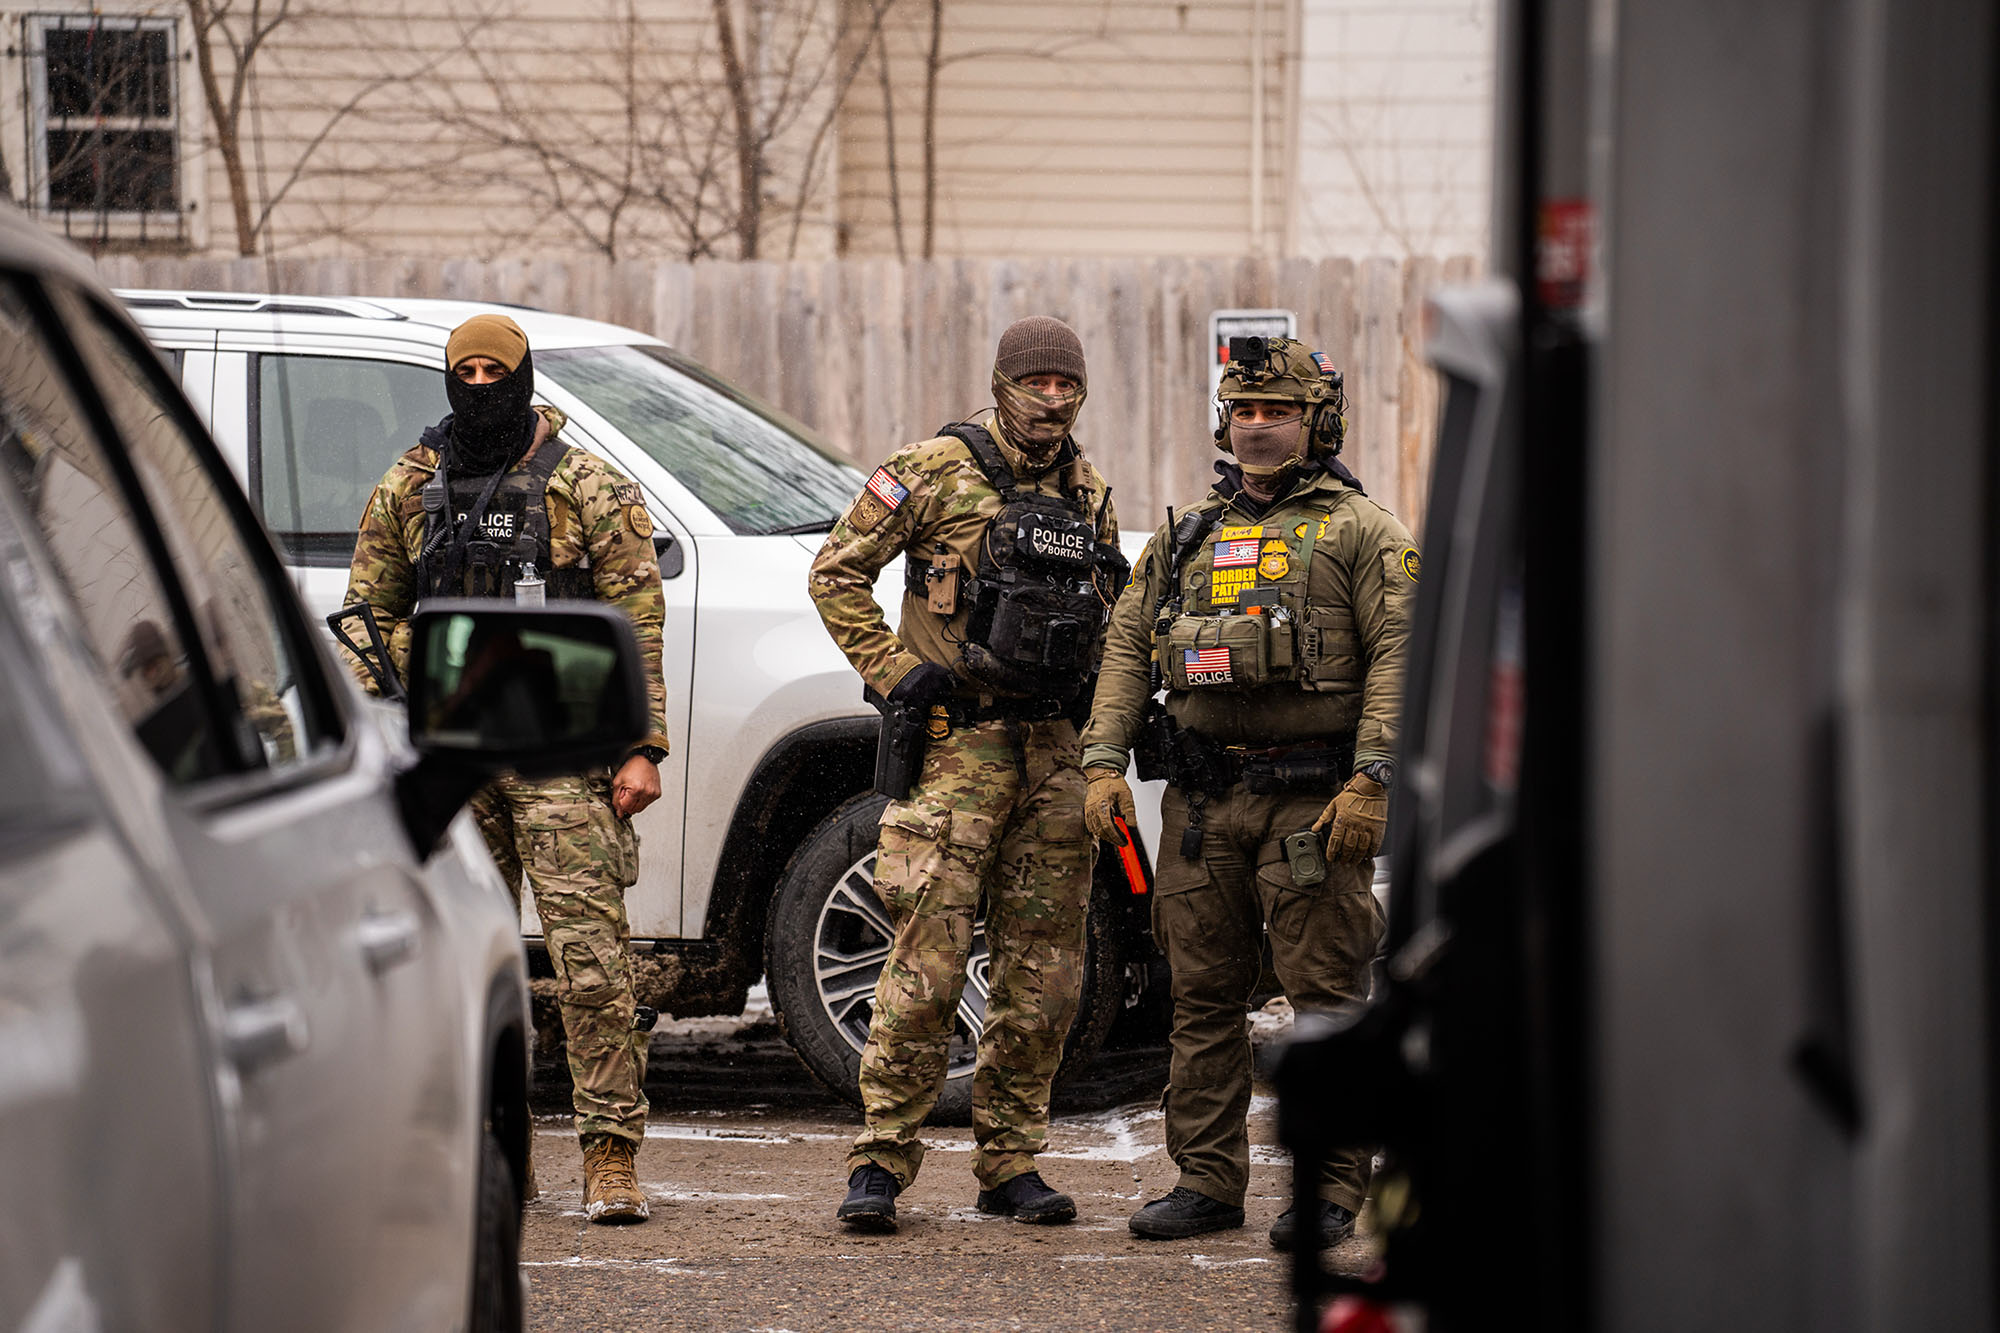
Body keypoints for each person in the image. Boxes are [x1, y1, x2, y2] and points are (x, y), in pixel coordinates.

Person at [1078, 335, 1416, 1250]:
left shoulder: (1363, 530)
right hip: (1201, 808)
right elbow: (1124, 649)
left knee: (1327, 993)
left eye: (1279, 410)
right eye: (1244, 410)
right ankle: (1206, 1180)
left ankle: (1334, 1190)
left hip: (1316, 804)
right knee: (1201, 995)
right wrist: (1102, 759)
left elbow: (1399, 656)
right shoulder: (1189, 534)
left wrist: (1374, 778)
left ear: (1317, 421)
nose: (1258, 425)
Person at [339, 313, 671, 1225]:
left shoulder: (587, 486)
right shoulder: (410, 485)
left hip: (564, 758)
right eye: (467, 369)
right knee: (460, 961)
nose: (480, 383)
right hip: (453, 755)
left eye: (497, 368)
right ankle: (497, 1147)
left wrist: (642, 746)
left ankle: (610, 1156)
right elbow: (364, 619)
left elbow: (638, 617)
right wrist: (446, 661)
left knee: (593, 966)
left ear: (524, 375)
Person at [808, 316, 1124, 1232]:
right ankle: (881, 1160)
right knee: (926, 962)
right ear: (1002, 383)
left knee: (1044, 972)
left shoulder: (1086, 486)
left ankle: (1009, 1162)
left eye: (1067, 385)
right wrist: (898, 673)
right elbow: (836, 571)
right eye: (1037, 383)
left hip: (1052, 752)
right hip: (959, 748)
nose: (1053, 399)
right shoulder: (932, 466)